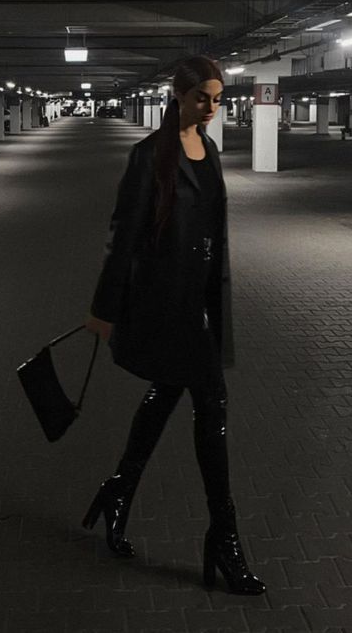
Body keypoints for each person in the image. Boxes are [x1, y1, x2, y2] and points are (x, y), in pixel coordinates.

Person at [83, 55, 265, 595]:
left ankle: (119, 489)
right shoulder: (148, 157)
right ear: (178, 97)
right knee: (213, 404)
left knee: (167, 393)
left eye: (217, 98)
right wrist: (104, 309)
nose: (210, 107)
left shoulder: (207, 149)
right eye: (201, 98)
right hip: (166, 303)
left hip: (202, 298)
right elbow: (124, 235)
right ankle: (224, 538)